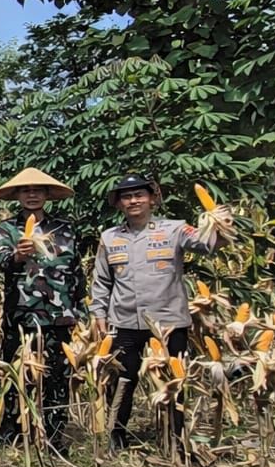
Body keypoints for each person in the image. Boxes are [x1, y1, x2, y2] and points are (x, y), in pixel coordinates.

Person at [90, 174, 232, 448]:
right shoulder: (109, 237)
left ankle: (174, 438)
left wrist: (220, 222)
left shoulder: (175, 229)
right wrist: (98, 313)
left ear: (152, 199)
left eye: (139, 195)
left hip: (168, 321)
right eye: (126, 197)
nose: (133, 201)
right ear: (118, 203)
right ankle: (116, 436)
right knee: (122, 380)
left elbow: (211, 244)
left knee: (174, 380)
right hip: (125, 321)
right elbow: (102, 280)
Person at [0, 168, 85, 447]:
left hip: (59, 315)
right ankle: (13, 432)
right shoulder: (6, 229)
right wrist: (18, 256)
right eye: (26, 190)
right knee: (16, 373)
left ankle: (54, 435)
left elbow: (77, 273)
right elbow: (1, 264)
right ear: (18, 196)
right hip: (21, 315)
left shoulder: (65, 229)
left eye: (37, 190)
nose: (32, 195)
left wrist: (80, 310)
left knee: (57, 376)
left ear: (46, 195)